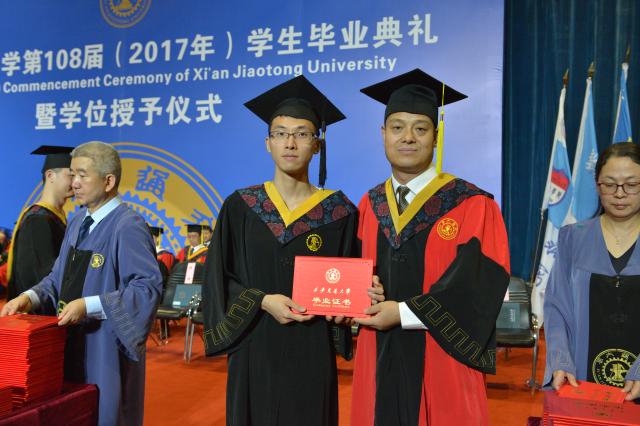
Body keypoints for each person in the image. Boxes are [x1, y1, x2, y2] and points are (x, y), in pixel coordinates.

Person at [202, 75, 371, 426]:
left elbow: (351, 284)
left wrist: (347, 310)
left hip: (311, 349)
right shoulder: (241, 207)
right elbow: (218, 278)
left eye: (302, 134)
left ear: (317, 145)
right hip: (253, 345)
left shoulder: (339, 212)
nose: (290, 143)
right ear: (268, 144)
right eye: (280, 133)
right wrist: (263, 301)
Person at [351, 69, 511, 426]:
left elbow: (478, 287)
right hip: (377, 355)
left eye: (420, 129)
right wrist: (360, 291)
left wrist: (403, 313)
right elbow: (352, 274)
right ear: (383, 134)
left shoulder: (471, 204)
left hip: (442, 361)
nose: (408, 137)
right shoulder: (369, 205)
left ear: (436, 137)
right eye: (397, 127)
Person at [1, 141, 162, 426]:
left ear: (109, 181)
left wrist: (88, 306)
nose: (74, 182)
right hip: (70, 344)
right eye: (72, 174)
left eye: (83, 175)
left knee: (104, 415)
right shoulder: (77, 222)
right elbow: (57, 278)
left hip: (104, 350)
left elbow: (145, 290)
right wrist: (30, 297)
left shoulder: (128, 226)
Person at [544, 142, 640, 401]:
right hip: (583, 381)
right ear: (597, 186)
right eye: (609, 184)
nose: (620, 193)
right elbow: (556, 308)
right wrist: (560, 360)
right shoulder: (573, 238)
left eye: (631, 184)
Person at [6, 146, 73, 300]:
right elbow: (39, 277)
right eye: (71, 175)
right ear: (50, 175)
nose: (76, 181)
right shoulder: (37, 220)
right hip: (38, 309)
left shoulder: (54, 217)